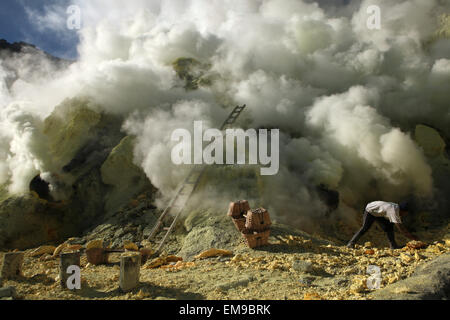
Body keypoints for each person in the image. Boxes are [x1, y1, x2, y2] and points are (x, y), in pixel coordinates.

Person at [347, 201, 418, 249]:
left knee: (389, 226)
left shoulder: (397, 208)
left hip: (379, 212)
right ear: (403, 211)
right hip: (370, 210)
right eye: (405, 213)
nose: (404, 215)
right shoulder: (393, 211)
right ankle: (351, 243)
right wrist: (412, 238)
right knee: (365, 228)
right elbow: (401, 228)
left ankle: (393, 246)